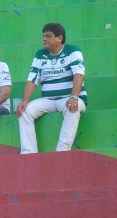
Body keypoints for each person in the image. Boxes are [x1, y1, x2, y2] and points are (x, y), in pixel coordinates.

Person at [15, 23, 87, 154]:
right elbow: (32, 79)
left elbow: (79, 74)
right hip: (48, 100)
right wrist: (25, 100)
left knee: (72, 108)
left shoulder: (73, 50)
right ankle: (28, 153)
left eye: (48, 36)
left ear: (59, 38)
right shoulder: (40, 54)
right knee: (25, 111)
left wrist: (74, 96)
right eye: (43, 36)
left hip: (70, 98)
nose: (44, 39)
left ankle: (62, 152)